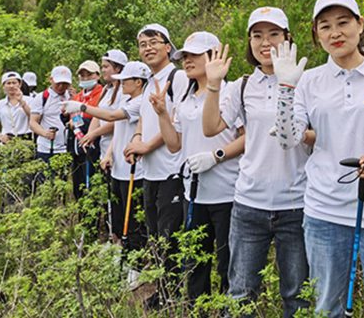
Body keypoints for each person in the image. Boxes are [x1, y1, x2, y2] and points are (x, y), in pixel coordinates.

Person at [271, 0, 364, 317]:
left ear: (360, 25)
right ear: (316, 35)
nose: (335, 33)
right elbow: (289, 139)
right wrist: (286, 89)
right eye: (325, 26)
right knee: (326, 308)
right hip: (324, 212)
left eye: (344, 23)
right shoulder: (309, 81)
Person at [202, 7, 310, 318]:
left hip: (296, 203)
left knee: (297, 295)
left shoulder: (305, 80)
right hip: (249, 204)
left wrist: (298, 132)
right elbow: (211, 128)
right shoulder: (242, 86)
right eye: (257, 35)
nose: (265, 42)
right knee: (241, 294)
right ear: (249, 41)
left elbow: (318, 134)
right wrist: (213, 85)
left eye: (274, 34)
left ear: (287, 38)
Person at [149, 31, 243, 302]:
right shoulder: (185, 98)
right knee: (196, 264)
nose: (187, 61)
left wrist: (217, 156)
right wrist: (163, 114)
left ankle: (227, 309)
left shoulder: (230, 91)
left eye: (194, 55)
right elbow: (175, 144)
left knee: (227, 264)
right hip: (193, 193)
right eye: (184, 56)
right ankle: (198, 309)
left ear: (213, 57)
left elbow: (247, 136)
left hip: (228, 192)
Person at [123, 24, 189, 291]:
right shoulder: (149, 81)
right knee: (155, 235)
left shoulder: (179, 77)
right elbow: (142, 120)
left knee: (169, 237)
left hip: (171, 172)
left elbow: (178, 122)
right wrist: (136, 140)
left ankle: (170, 294)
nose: (148, 48)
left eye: (154, 42)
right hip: (149, 173)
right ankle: (163, 289)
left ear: (168, 46)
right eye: (142, 44)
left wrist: (147, 146)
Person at [64, 60, 149, 253]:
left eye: (126, 80)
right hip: (118, 167)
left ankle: (133, 260)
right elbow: (118, 132)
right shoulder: (125, 99)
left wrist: (81, 107)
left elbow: (111, 118)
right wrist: (109, 153)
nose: (122, 83)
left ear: (138, 82)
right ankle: (119, 249)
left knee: (133, 218)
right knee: (118, 214)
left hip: (133, 169)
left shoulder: (140, 102)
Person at [81, 49, 128, 163]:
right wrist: (89, 135)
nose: (103, 70)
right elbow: (98, 115)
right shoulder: (106, 89)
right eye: (102, 67)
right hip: (104, 148)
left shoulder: (124, 90)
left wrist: (95, 133)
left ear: (117, 68)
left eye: (106, 67)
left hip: (119, 149)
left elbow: (118, 120)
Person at [68, 60, 104, 200]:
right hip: (76, 147)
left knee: (92, 187)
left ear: (97, 75)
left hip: (93, 145)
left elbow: (98, 117)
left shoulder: (102, 93)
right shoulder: (77, 96)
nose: (85, 78)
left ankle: (93, 221)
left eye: (89, 74)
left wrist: (77, 122)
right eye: (82, 75)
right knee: (79, 186)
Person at [30, 66, 72, 163]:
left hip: (66, 149)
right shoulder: (42, 97)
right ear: (51, 80)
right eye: (58, 83)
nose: (61, 86)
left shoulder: (71, 96)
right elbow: (33, 123)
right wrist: (45, 133)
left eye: (65, 83)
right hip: (46, 148)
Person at [0, 71, 33, 142]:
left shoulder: (30, 101)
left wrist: (21, 102)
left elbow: (34, 117)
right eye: (8, 83)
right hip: (7, 142)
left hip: (26, 140)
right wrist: (0, 137)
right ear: (3, 86)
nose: (11, 86)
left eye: (14, 83)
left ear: (20, 84)